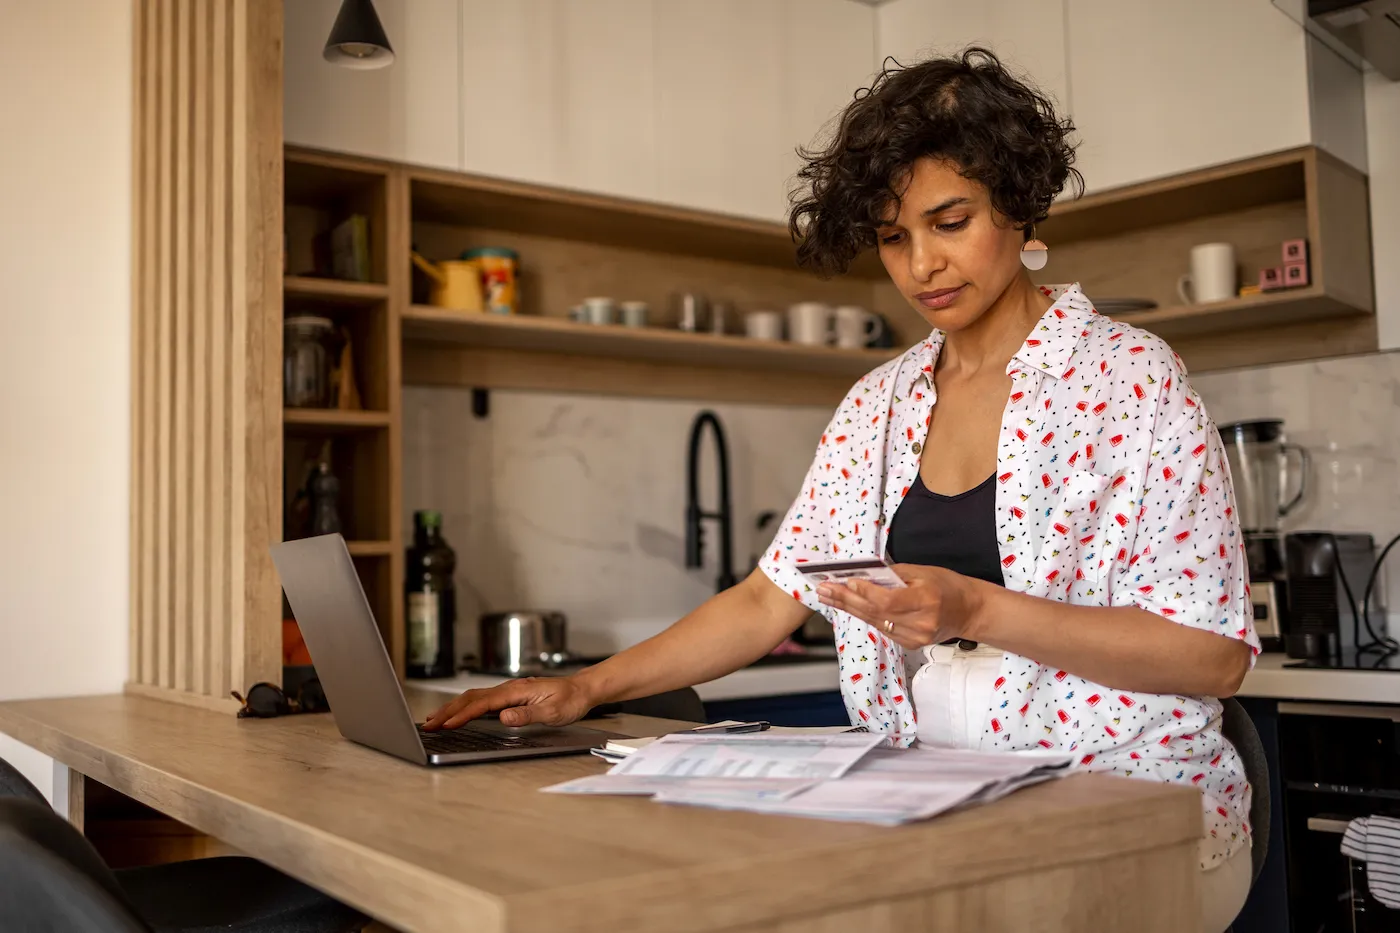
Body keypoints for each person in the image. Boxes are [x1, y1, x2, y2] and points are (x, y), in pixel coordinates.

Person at [425, 48, 1258, 932]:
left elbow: (1212, 657)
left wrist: (976, 608)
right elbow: (767, 597)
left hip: (1133, 815)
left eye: (950, 221)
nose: (922, 266)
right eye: (895, 237)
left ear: (1018, 203)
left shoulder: (1128, 378)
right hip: (940, 812)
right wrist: (586, 690)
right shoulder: (879, 403)